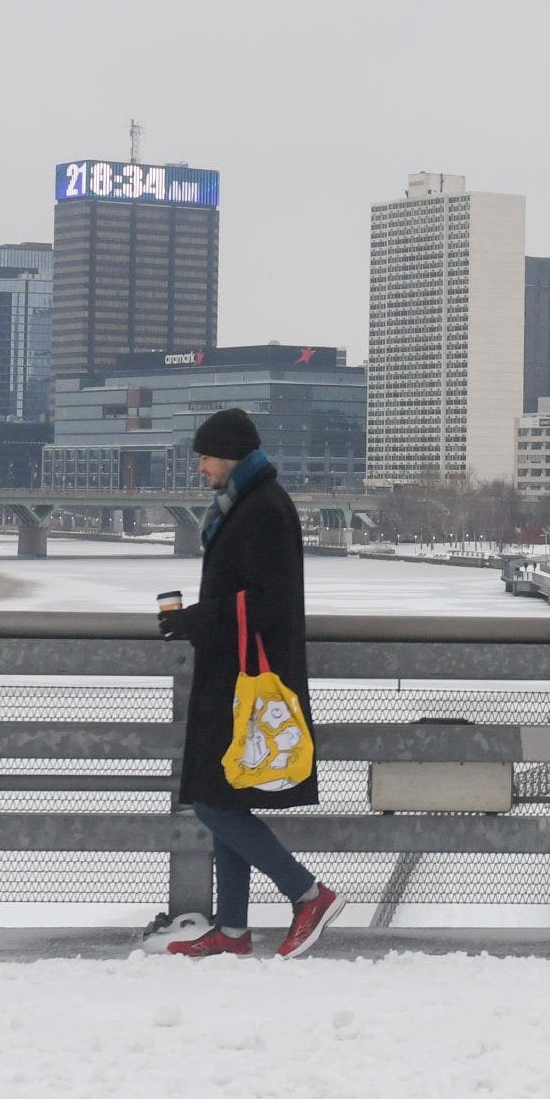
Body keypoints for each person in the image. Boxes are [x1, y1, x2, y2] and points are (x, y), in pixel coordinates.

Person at [157, 408, 341, 958]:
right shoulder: (245, 502)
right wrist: (200, 617)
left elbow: (270, 599)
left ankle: (309, 894)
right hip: (231, 671)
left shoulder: (264, 508)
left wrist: (197, 619)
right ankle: (233, 931)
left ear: (230, 455)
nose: (200, 467)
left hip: (248, 680)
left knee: (215, 803)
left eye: (206, 457)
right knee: (224, 797)